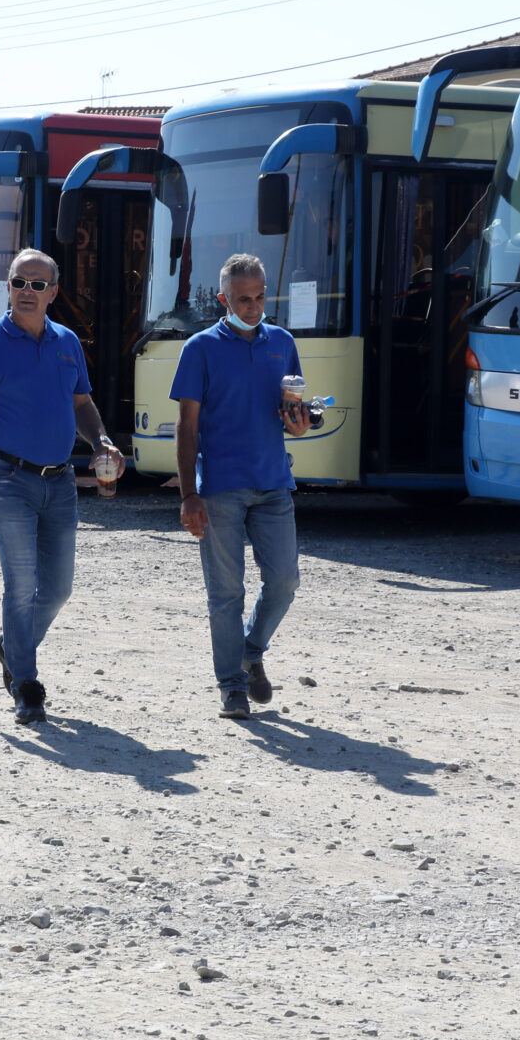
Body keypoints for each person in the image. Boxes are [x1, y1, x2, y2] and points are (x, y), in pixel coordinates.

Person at [0, 248, 122, 725]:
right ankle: (26, 685)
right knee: (21, 586)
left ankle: (10, 646)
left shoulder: (67, 343)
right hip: (6, 479)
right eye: (19, 282)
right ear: (8, 286)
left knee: (58, 589)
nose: (27, 291)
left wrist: (102, 440)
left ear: (53, 293)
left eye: (38, 284)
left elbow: (82, 404)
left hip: (60, 482)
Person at [171, 253, 312, 720]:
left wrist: (300, 424)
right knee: (226, 593)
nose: (253, 307)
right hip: (220, 487)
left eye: (259, 297)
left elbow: (293, 414)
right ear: (223, 299)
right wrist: (188, 494)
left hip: (274, 482)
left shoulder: (282, 342)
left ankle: (251, 651)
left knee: (285, 582)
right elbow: (186, 426)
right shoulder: (199, 348)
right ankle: (231, 686)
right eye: (243, 299)